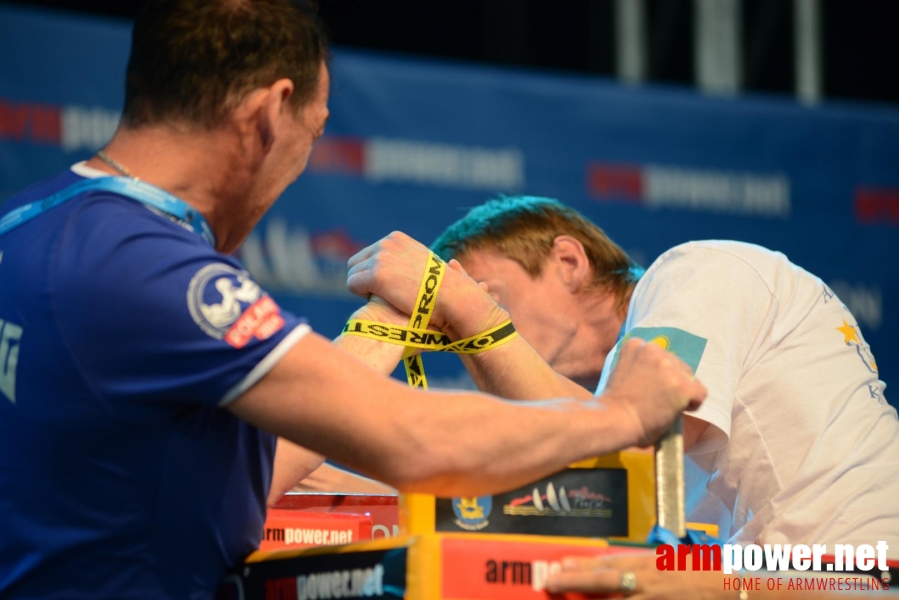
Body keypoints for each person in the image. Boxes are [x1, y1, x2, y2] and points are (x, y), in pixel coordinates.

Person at [0, 3, 706, 599]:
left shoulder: (30, 222)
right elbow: (419, 442)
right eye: (312, 133)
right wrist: (619, 412)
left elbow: (241, 472)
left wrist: (379, 333)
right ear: (269, 113)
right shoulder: (145, 266)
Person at [347, 196, 899, 595]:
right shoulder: (614, 394)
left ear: (568, 262)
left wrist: (472, 316)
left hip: (850, 575)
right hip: (804, 577)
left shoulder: (694, 271)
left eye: (491, 292)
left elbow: (622, 453)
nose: (481, 324)